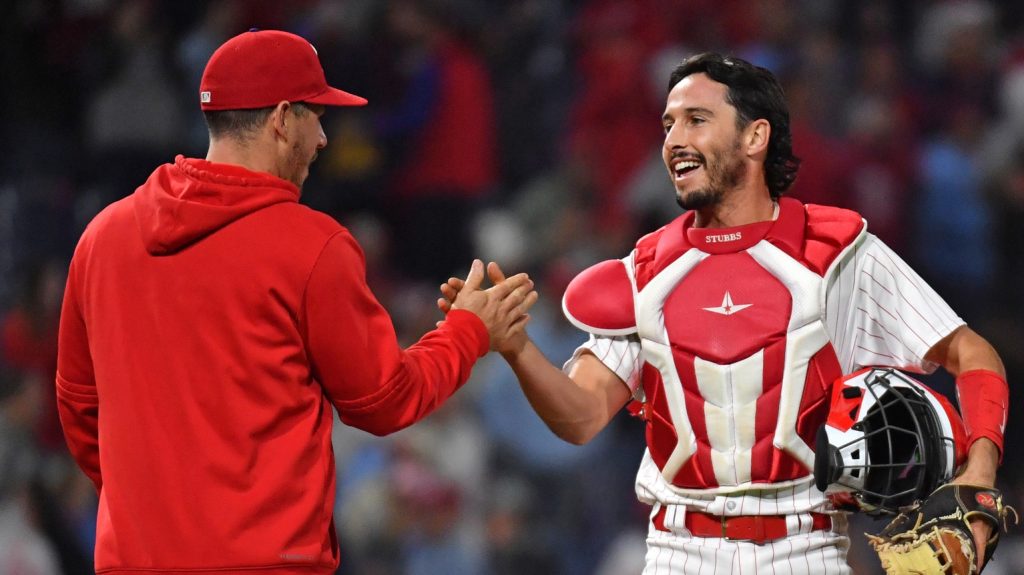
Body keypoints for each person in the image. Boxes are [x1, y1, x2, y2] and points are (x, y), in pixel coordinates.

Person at [441, 53, 1008, 574]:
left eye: (696, 120)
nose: (674, 140)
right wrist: (516, 348)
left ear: (756, 135)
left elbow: (972, 353)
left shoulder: (836, 252)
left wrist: (979, 474)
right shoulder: (643, 269)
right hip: (676, 552)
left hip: (806, 550)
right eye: (668, 125)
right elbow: (582, 417)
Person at [55, 29, 536, 575]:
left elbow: (79, 408)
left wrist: (158, 513)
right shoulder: (310, 245)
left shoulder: (103, 237)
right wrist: (468, 331)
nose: (325, 138)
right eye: (317, 116)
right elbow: (384, 400)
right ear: (283, 118)